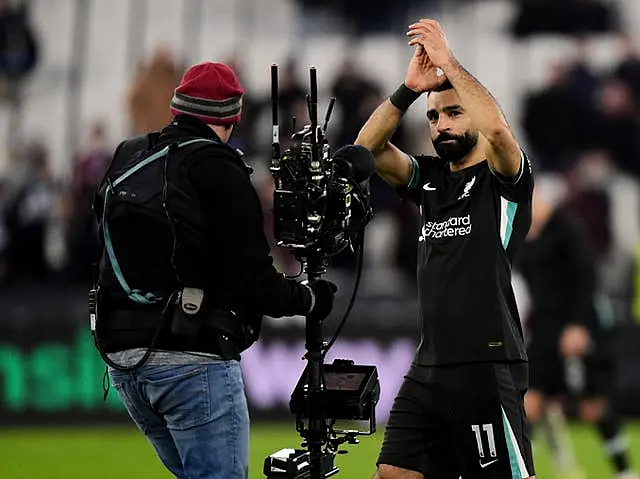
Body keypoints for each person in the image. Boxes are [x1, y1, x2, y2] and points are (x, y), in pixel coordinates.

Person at [91, 61, 337, 479]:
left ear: (178, 107)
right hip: (191, 355)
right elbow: (251, 280)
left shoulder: (130, 154)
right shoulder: (218, 166)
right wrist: (309, 298)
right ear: (231, 119)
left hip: (123, 362)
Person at [356, 19, 535, 478]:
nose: (440, 125)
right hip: (430, 362)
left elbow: (497, 133)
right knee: (392, 473)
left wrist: (449, 65)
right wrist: (409, 90)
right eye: (434, 117)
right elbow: (366, 150)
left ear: (475, 113)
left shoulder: (505, 181)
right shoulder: (431, 179)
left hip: (486, 361)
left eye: (454, 112)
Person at [516, 188, 639, 479]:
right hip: (544, 331)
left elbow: (587, 276)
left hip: (576, 328)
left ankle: (625, 471)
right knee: (529, 403)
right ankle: (523, 472)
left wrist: (578, 325)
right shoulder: (524, 237)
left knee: (591, 407)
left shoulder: (567, 227)